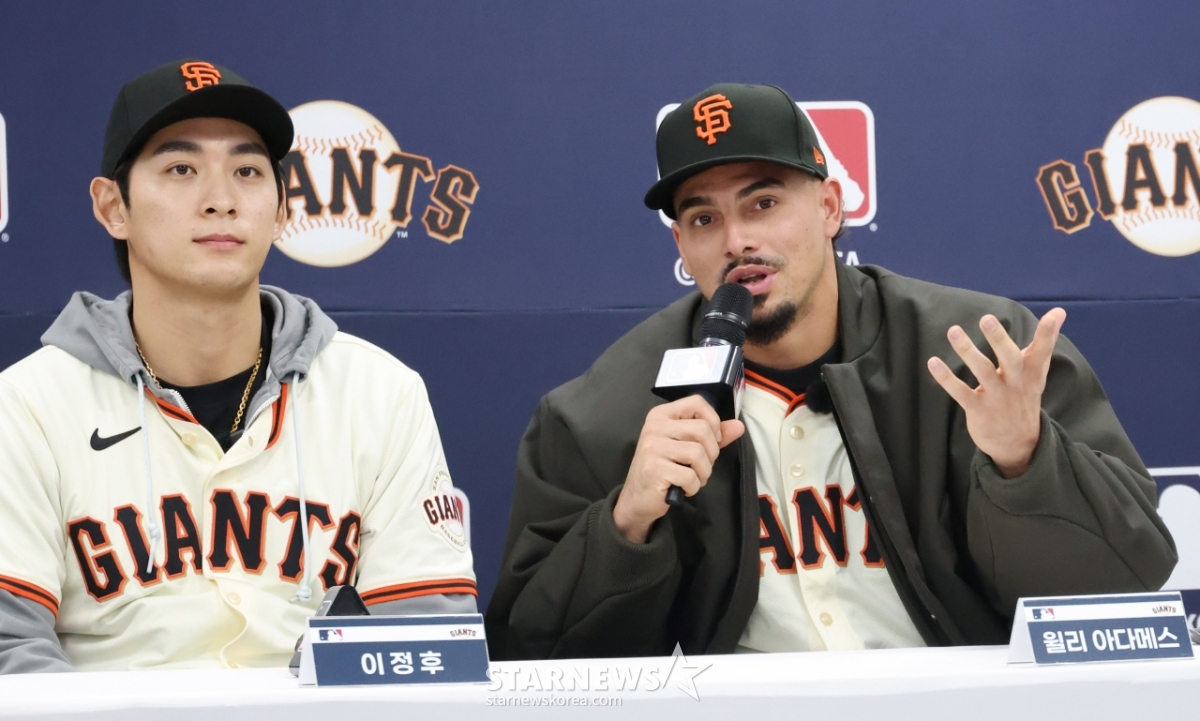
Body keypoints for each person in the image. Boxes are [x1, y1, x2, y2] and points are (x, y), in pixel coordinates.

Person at [486, 83, 1177, 660]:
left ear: (829, 207)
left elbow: (1129, 579)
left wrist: (1025, 462)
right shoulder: (602, 414)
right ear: (680, 243)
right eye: (703, 219)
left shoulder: (981, 355)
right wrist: (627, 523)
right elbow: (529, 658)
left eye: (763, 203)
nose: (737, 241)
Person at [0, 60, 476, 673]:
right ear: (113, 206)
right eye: (181, 169)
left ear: (281, 210)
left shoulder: (380, 394)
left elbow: (427, 644)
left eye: (247, 171)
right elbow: (9, 652)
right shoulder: (28, 407)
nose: (221, 201)